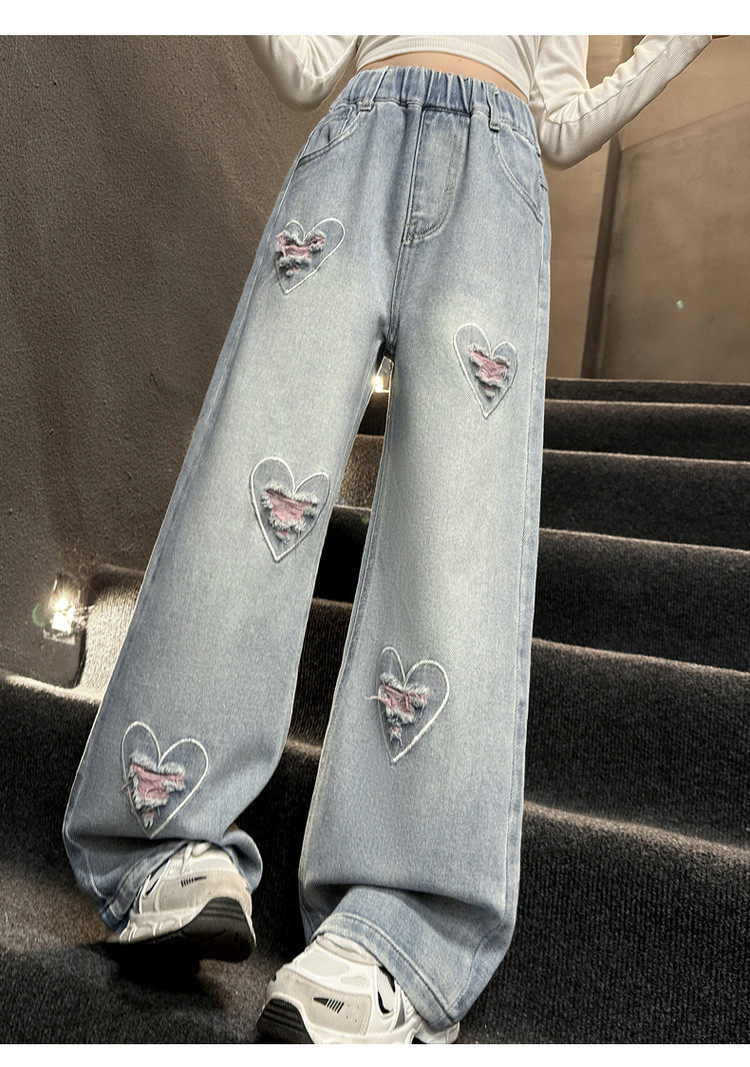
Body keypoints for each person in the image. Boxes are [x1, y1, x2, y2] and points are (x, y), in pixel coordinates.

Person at [63, 35, 717, 1044]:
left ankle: (401, 918)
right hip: (358, 141)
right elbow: (303, 64)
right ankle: (159, 835)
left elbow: (561, 121)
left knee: (458, 537)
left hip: (498, 179)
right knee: (256, 472)